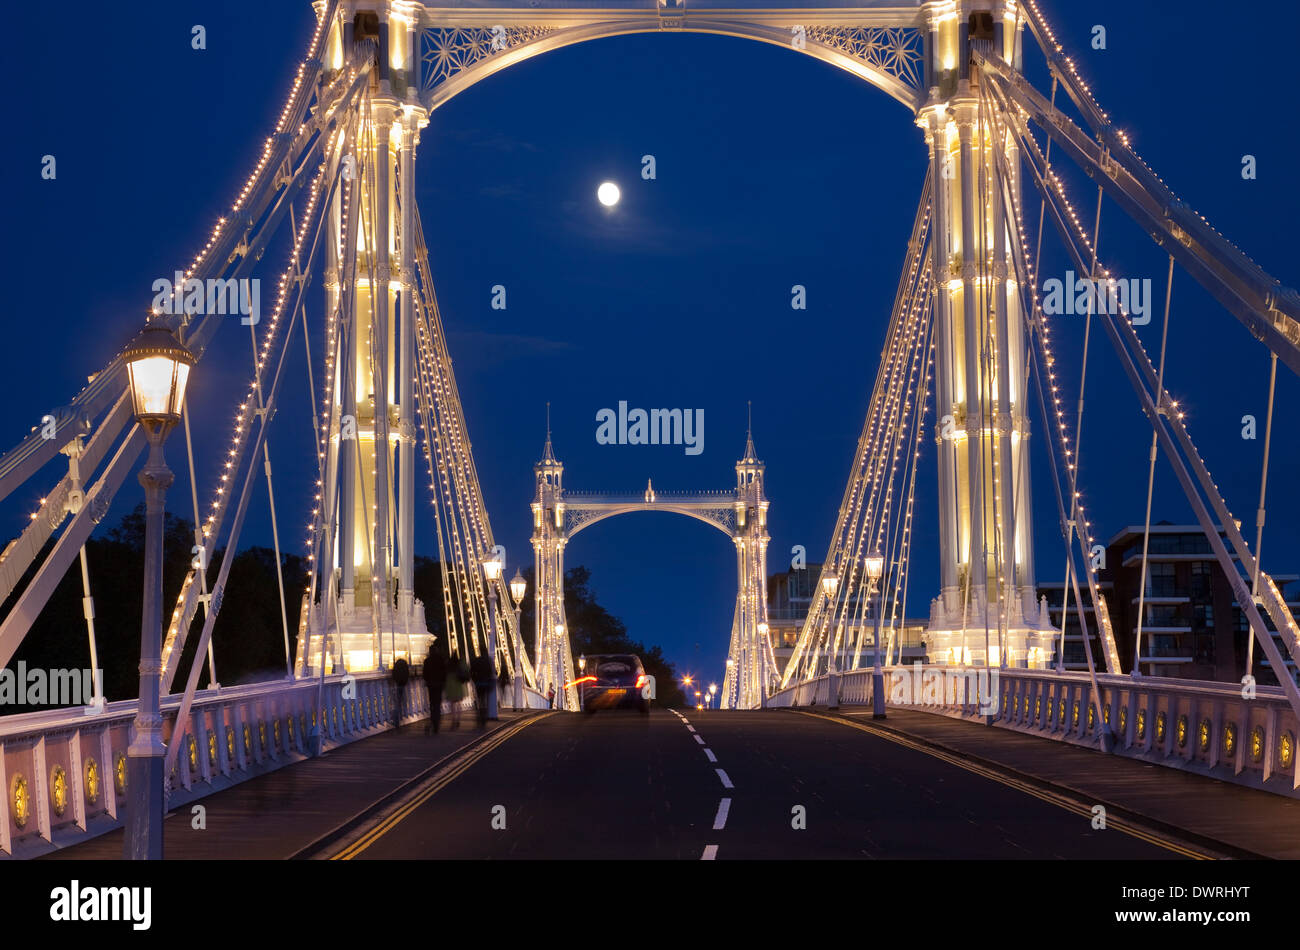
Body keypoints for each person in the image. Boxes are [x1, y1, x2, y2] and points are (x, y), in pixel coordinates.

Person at [423, 647, 447, 734]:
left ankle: (433, 720)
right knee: (437, 704)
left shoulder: (427, 661)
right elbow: (444, 672)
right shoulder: (441, 660)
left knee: (432, 703)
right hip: (439, 684)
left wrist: (428, 680)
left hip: (431, 685)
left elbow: (425, 674)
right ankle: (436, 724)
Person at [444, 653, 469, 730]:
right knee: (459, 704)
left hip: (450, 686)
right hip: (458, 685)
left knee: (452, 705)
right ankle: (458, 719)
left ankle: (453, 720)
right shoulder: (460, 664)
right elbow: (466, 671)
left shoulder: (448, 665)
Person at [470, 653, 494, 729]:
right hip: (486, 683)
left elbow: (471, 671)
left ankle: (479, 718)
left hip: (478, 684)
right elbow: (491, 672)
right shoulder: (488, 661)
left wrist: (474, 680)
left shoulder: (476, 660)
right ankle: (484, 718)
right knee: (484, 701)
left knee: (479, 701)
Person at [391, 656, 410, 730]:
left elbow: (394, 674)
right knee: (400, 702)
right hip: (402, 685)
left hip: (397, 685)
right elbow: (407, 674)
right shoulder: (404, 667)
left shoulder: (396, 667)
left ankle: (396, 720)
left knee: (396, 703)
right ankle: (400, 717)